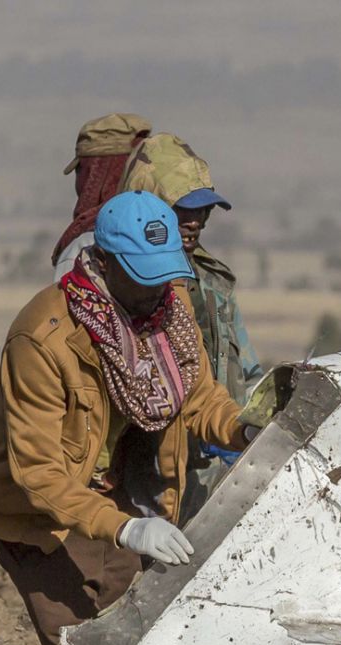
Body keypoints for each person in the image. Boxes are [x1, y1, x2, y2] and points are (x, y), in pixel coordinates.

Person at [0, 192, 252, 645]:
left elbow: (199, 398)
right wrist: (127, 529)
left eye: (164, 275)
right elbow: (38, 472)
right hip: (45, 522)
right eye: (143, 277)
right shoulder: (43, 339)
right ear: (104, 262)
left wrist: (246, 430)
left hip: (117, 496)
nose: (156, 291)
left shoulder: (167, 312)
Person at [120, 133, 263, 521]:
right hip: (146, 471)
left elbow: (243, 365)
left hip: (212, 463)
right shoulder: (120, 284)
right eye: (182, 210)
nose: (195, 221)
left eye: (203, 211)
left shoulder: (211, 280)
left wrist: (251, 422)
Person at [52, 112, 152, 277]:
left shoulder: (86, 246)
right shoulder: (163, 232)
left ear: (94, 174)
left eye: (81, 170)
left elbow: (64, 301)